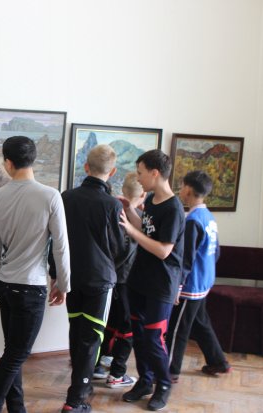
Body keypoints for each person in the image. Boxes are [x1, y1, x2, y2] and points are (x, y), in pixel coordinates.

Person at [0, 136, 70, 413]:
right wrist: (63, 284)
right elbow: (61, 246)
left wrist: (1, 271)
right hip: (31, 286)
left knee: (12, 351)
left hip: (4, 284)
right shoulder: (50, 196)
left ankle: (17, 407)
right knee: (16, 355)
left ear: (8, 162)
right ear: (33, 159)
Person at [60, 144, 126, 413]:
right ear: (113, 172)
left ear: (86, 167)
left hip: (71, 277)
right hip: (100, 281)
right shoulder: (112, 204)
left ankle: (80, 388)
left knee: (76, 332)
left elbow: (56, 241)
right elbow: (120, 248)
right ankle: (76, 399)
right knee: (92, 337)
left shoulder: (66, 197)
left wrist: (56, 274)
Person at [119, 149, 185, 412]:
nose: (138, 178)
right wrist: (129, 211)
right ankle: (145, 381)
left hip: (161, 285)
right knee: (138, 335)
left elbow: (163, 250)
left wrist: (131, 230)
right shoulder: (151, 200)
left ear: (155, 173)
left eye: (141, 173)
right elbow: (146, 229)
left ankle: (163, 385)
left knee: (154, 338)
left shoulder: (174, 208)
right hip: (140, 280)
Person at [166, 171, 231, 382]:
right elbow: (217, 251)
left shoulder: (193, 220)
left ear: (188, 189)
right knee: (200, 322)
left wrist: (178, 287)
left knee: (178, 328)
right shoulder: (208, 216)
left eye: (182, 185)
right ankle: (218, 362)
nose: (180, 189)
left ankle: (170, 371)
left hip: (191, 285)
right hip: (205, 280)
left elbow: (186, 259)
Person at [94, 172, 146, 389]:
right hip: (127, 280)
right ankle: (117, 373)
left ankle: (98, 365)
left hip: (107, 277)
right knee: (127, 326)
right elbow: (129, 251)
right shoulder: (139, 220)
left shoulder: (110, 211)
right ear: (143, 195)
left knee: (109, 322)